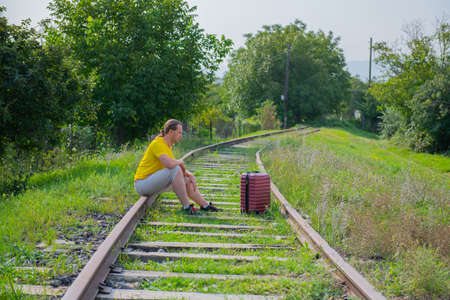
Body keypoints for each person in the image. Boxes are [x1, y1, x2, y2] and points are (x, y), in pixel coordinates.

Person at [134, 119, 220, 214]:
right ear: (171, 132)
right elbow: (170, 165)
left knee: (186, 179)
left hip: (152, 182)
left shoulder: (167, 146)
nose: (181, 136)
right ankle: (186, 207)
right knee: (175, 169)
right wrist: (180, 162)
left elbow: (174, 164)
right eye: (179, 132)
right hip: (142, 184)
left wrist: (189, 175)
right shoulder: (158, 144)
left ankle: (205, 205)